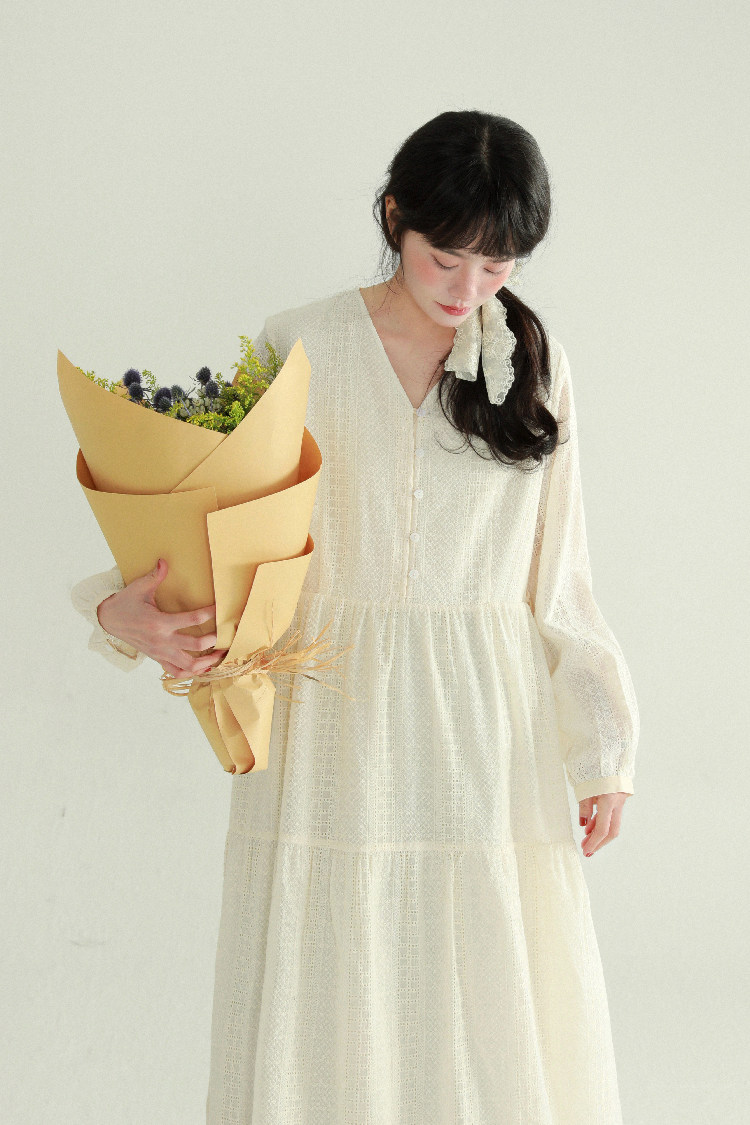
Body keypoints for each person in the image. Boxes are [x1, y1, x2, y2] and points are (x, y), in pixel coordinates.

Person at [71, 110, 639, 1124]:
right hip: (331, 708)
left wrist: (603, 748)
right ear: (393, 217)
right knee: (329, 981)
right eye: (445, 257)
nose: (468, 288)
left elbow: (561, 576)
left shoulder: (532, 360)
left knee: (484, 990)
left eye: (496, 265)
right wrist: (118, 608)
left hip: (484, 723)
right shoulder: (302, 343)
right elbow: (225, 525)